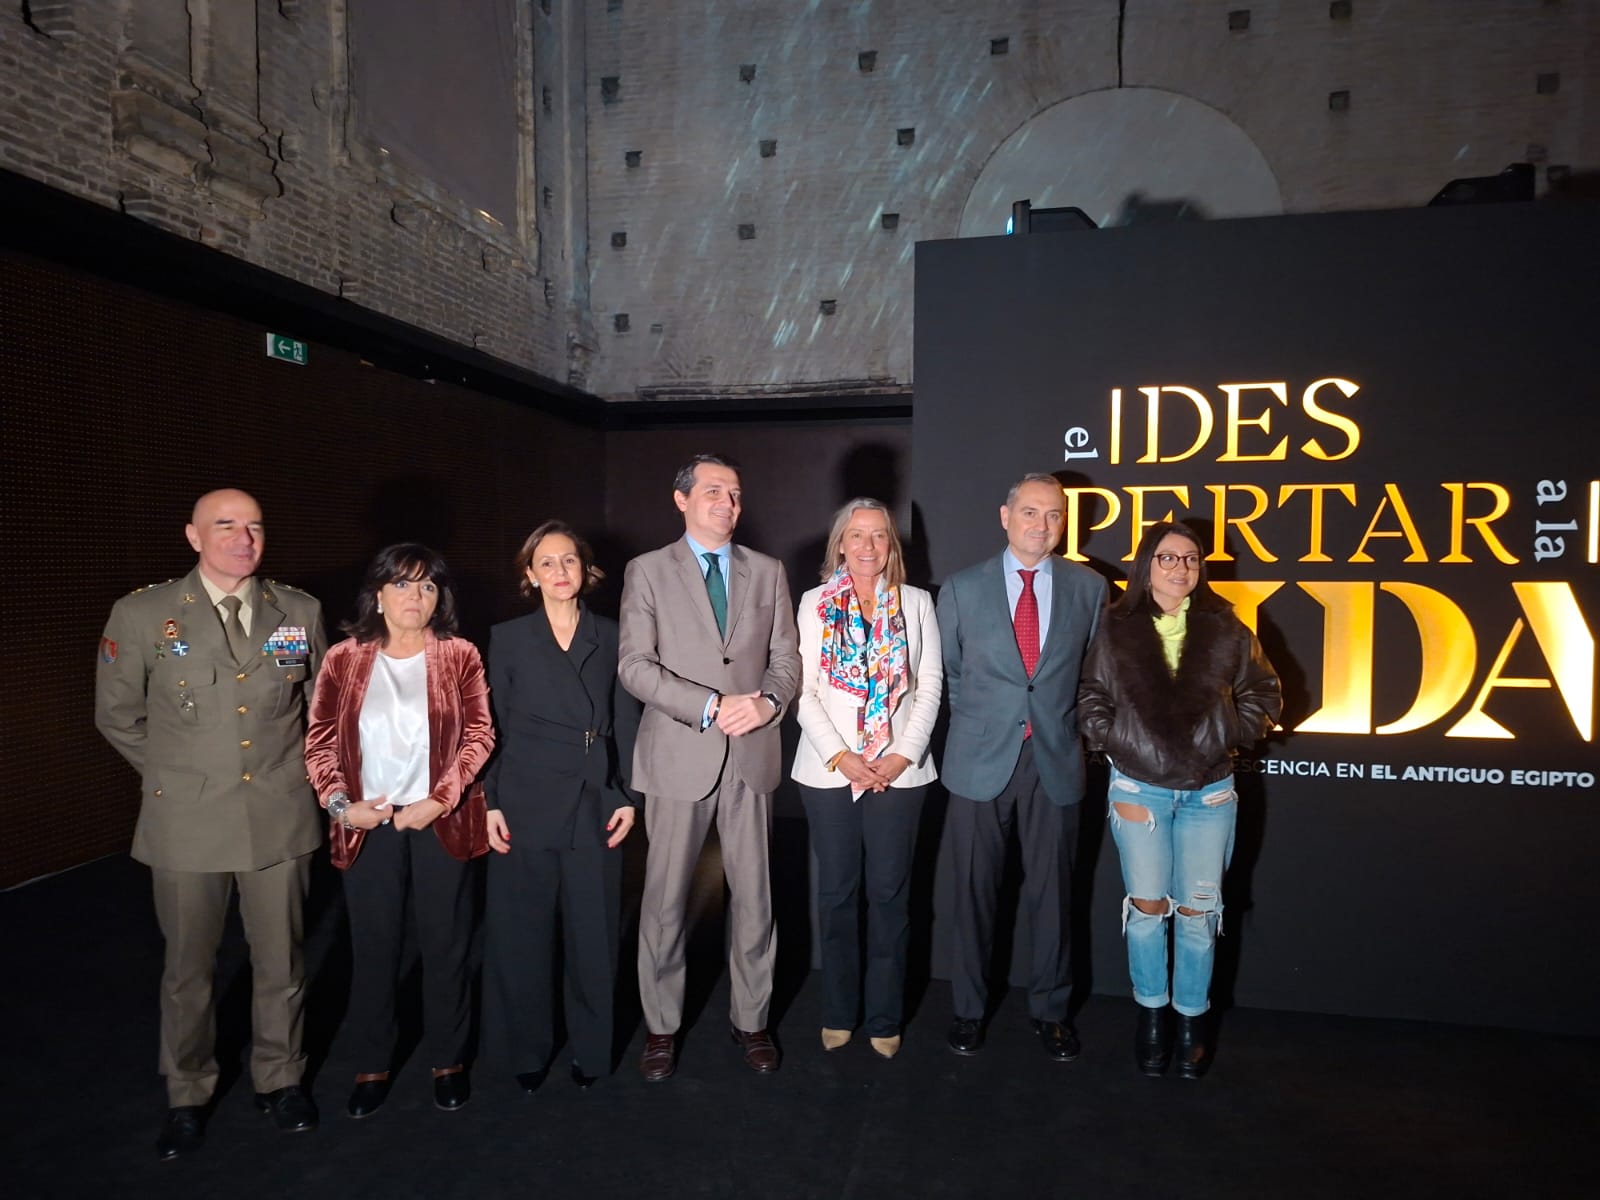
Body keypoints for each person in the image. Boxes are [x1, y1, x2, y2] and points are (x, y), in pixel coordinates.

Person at [95, 488, 327, 1159]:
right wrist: (178, 775)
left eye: (255, 525)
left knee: (281, 962)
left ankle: (280, 1077)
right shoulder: (144, 614)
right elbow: (117, 714)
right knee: (187, 970)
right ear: (194, 536)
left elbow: (319, 708)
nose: (242, 538)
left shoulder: (299, 611)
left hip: (279, 815)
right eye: (225, 525)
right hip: (186, 822)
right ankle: (188, 1092)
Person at [618, 453, 801, 1080]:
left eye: (736, 493)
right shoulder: (647, 570)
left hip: (752, 755)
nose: (728, 502)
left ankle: (752, 1020)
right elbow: (634, 665)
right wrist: (710, 705)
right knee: (665, 901)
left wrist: (769, 702)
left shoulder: (768, 571)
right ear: (682, 499)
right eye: (714, 491)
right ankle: (661, 1026)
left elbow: (786, 658)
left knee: (756, 898)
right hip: (678, 755)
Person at [1078, 520, 1281, 1079]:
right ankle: (1151, 1014)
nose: (1180, 567)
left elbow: (1265, 694)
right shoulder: (1114, 627)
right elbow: (1090, 696)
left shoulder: (1228, 627)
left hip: (1208, 792)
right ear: (1147, 565)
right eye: (1167, 557)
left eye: (1190, 558)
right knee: (1146, 910)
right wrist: (1120, 740)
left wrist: (1225, 732)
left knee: (1198, 913)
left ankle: (1191, 1017)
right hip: (1138, 788)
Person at [303, 544, 494, 1117]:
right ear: (379, 595)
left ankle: (448, 1060)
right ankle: (373, 1062)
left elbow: (479, 735)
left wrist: (440, 799)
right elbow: (320, 743)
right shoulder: (344, 659)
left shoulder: (459, 655)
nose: (416, 597)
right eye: (404, 585)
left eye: (428, 586)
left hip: (440, 819)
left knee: (447, 945)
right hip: (369, 824)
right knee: (374, 947)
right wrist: (342, 807)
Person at [936, 472, 1107, 1061]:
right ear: (1005, 516)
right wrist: (989, 725)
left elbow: (1093, 676)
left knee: (1054, 896)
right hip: (978, 762)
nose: (1042, 524)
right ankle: (967, 1009)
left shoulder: (1090, 589)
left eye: (1054, 514)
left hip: (1054, 760)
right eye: (1030, 512)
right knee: (972, 894)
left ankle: (1052, 1012)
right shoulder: (961, 588)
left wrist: (1066, 732)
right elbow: (951, 675)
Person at [483, 521, 640, 1092]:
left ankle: (591, 1052)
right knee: (521, 935)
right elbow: (493, 728)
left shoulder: (613, 635)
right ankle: (527, 1051)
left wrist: (628, 796)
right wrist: (490, 799)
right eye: (546, 562)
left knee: (594, 937)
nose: (559, 571)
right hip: (523, 800)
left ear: (585, 569)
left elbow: (627, 722)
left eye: (568, 560)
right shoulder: (508, 638)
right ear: (530, 574)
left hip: (595, 799)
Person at [791, 499, 942, 1059]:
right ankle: (837, 1011)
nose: (868, 546)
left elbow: (930, 685)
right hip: (829, 771)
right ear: (840, 544)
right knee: (836, 894)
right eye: (857, 535)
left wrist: (902, 754)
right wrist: (841, 755)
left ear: (891, 545)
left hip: (900, 773)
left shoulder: (917, 603)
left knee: (890, 895)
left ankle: (884, 1016)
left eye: (879, 536)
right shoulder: (814, 603)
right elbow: (803, 690)